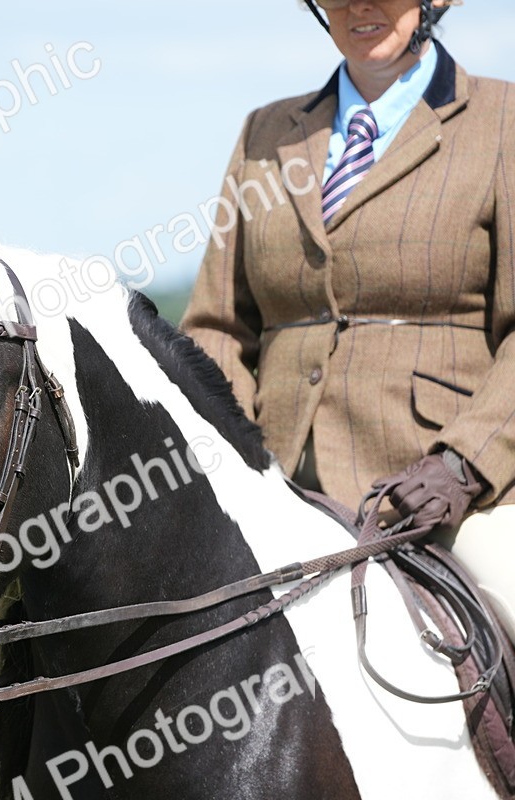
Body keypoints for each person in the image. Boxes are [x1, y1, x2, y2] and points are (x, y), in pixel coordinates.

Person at [179, 0, 515, 634]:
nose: (360, 7)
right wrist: (234, 459)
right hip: (277, 484)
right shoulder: (265, 133)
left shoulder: (505, 122)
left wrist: (462, 464)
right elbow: (217, 328)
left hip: (449, 492)